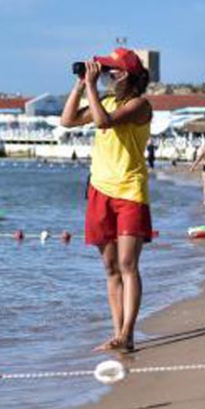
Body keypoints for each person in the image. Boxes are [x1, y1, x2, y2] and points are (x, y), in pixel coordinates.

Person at [60, 47, 153, 353]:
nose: (108, 75)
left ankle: (128, 334)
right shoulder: (108, 100)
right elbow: (68, 120)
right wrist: (79, 84)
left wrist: (90, 86)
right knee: (111, 268)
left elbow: (103, 123)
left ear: (127, 75)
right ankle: (117, 334)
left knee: (128, 265)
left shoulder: (141, 105)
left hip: (129, 190)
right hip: (99, 190)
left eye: (114, 70)